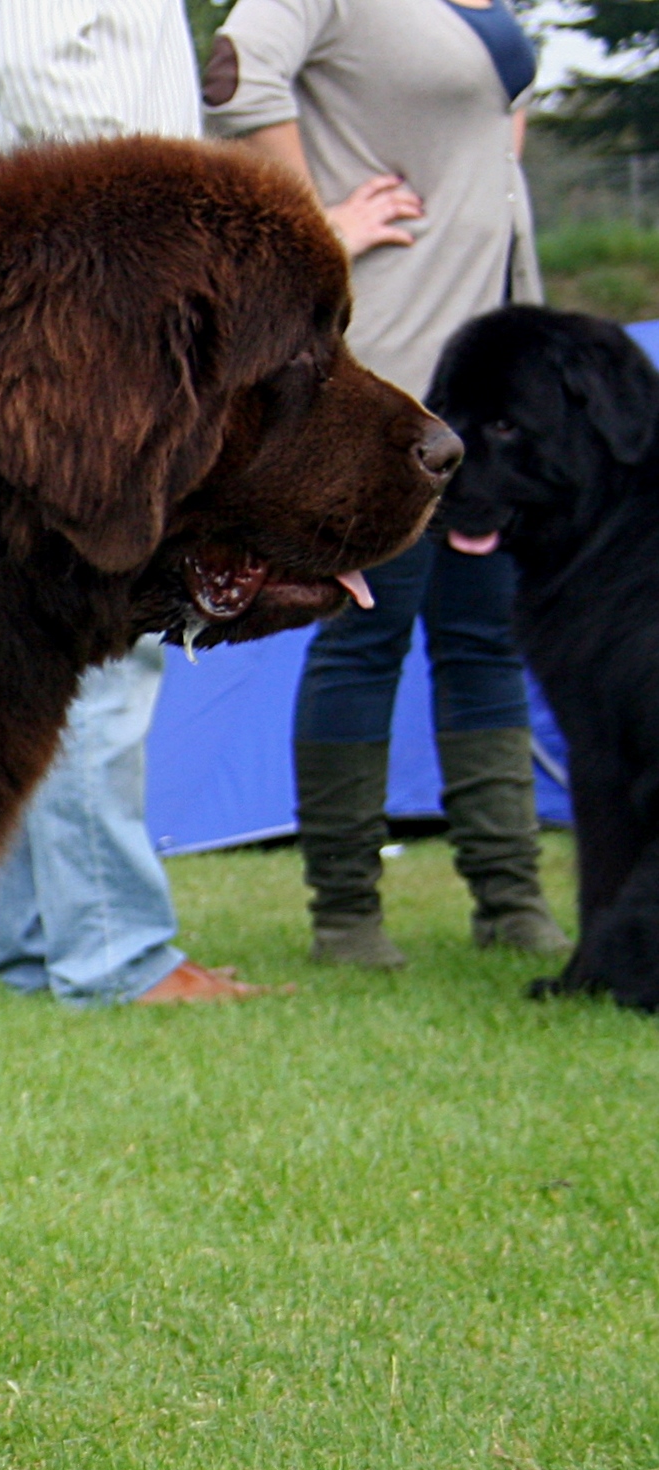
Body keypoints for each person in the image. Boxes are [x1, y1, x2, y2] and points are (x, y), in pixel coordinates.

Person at [0, 0, 276, 1006]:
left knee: (40, 629)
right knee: (104, 624)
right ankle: (113, 950)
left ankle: (45, 941)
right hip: (96, 294)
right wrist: (183, 232)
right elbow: (49, 81)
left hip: (36, 286)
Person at [207, 0, 570, 968]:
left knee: (485, 637)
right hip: (387, 379)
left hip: (492, 382)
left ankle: (511, 898)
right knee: (363, 638)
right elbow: (234, 76)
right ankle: (347, 916)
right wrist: (318, 226)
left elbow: (501, 113)